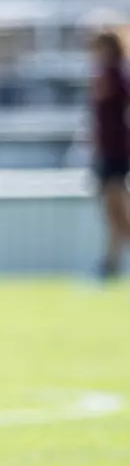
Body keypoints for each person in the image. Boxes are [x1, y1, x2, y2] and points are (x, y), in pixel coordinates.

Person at [88, 28, 130, 280]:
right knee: (112, 213)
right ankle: (111, 263)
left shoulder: (117, 77)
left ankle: (111, 262)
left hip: (117, 152)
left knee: (117, 210)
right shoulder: (104, 75)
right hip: (106, 152)